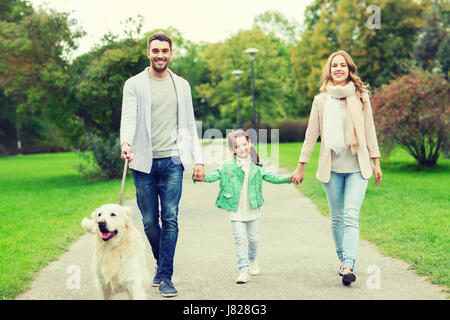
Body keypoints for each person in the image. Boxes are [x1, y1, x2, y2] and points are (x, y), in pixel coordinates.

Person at [120, 33, 205, 297]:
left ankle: (166, 275)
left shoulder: (182, 85)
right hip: (143, 162)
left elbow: (190, 124)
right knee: (148, 221)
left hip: (173, 161)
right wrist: (126, 143)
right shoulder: (134, 84)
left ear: (171, 53)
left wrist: (198, 159)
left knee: (170, 217)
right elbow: (129, 117)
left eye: (164, 51)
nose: (160, 55)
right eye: (155, 51)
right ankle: (162, 262)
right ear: (148, 53)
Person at [290, 50, 382, 286]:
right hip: (331, 168)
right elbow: (312, 134)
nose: (338, 69)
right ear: (329, 71)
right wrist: (301, 166)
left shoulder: (361, 97)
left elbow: (369, 129)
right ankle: (342, 259)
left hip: (356, 167)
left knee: (351, 215)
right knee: (337, 218)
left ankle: (349, 264)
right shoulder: (321, 100)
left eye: (342, 65)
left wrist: (376, 160)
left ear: (349, 69)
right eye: (334, 66)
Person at [194, 129, 292, 284]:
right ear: (233, 150)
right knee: (239, 239)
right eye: (238, 146)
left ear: (249, 144)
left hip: (252, 208)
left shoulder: (257, 166)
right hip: (236, 209)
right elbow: (214, 176)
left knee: (253, 239)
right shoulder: (227, 166)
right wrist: (201, 177)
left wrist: (289, 178)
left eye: (244, 144)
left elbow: (272, 178)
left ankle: (252, 260)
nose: (242, 148)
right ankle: (243, 270)